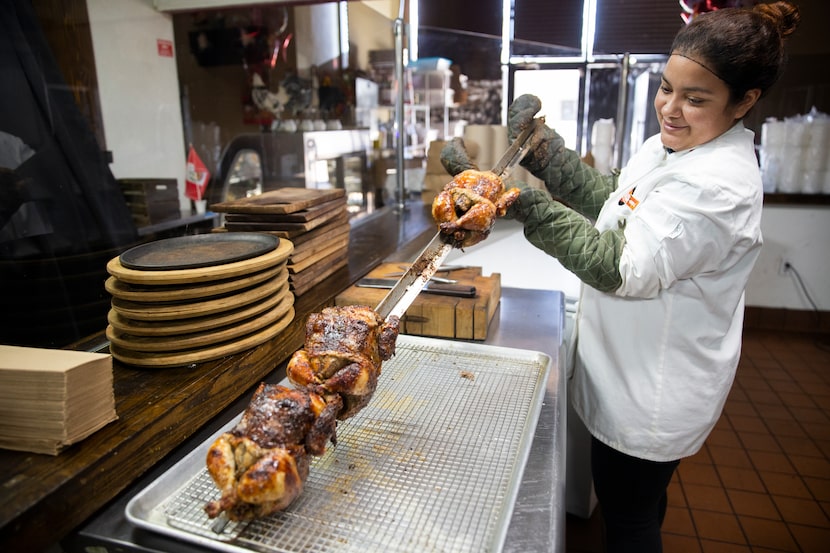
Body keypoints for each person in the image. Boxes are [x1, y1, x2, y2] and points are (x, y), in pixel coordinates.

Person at [440, 2, 800, 552]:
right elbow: (618, 199)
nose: (670, 109)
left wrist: (523, 205)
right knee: (639, 503)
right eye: (665, 88)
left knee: (630, 520)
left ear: (744, 102)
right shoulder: (672, 146)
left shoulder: (718, 186)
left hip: (652, 388)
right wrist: (549, 158)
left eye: (695, 98)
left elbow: (619, 266)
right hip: (626, 365)